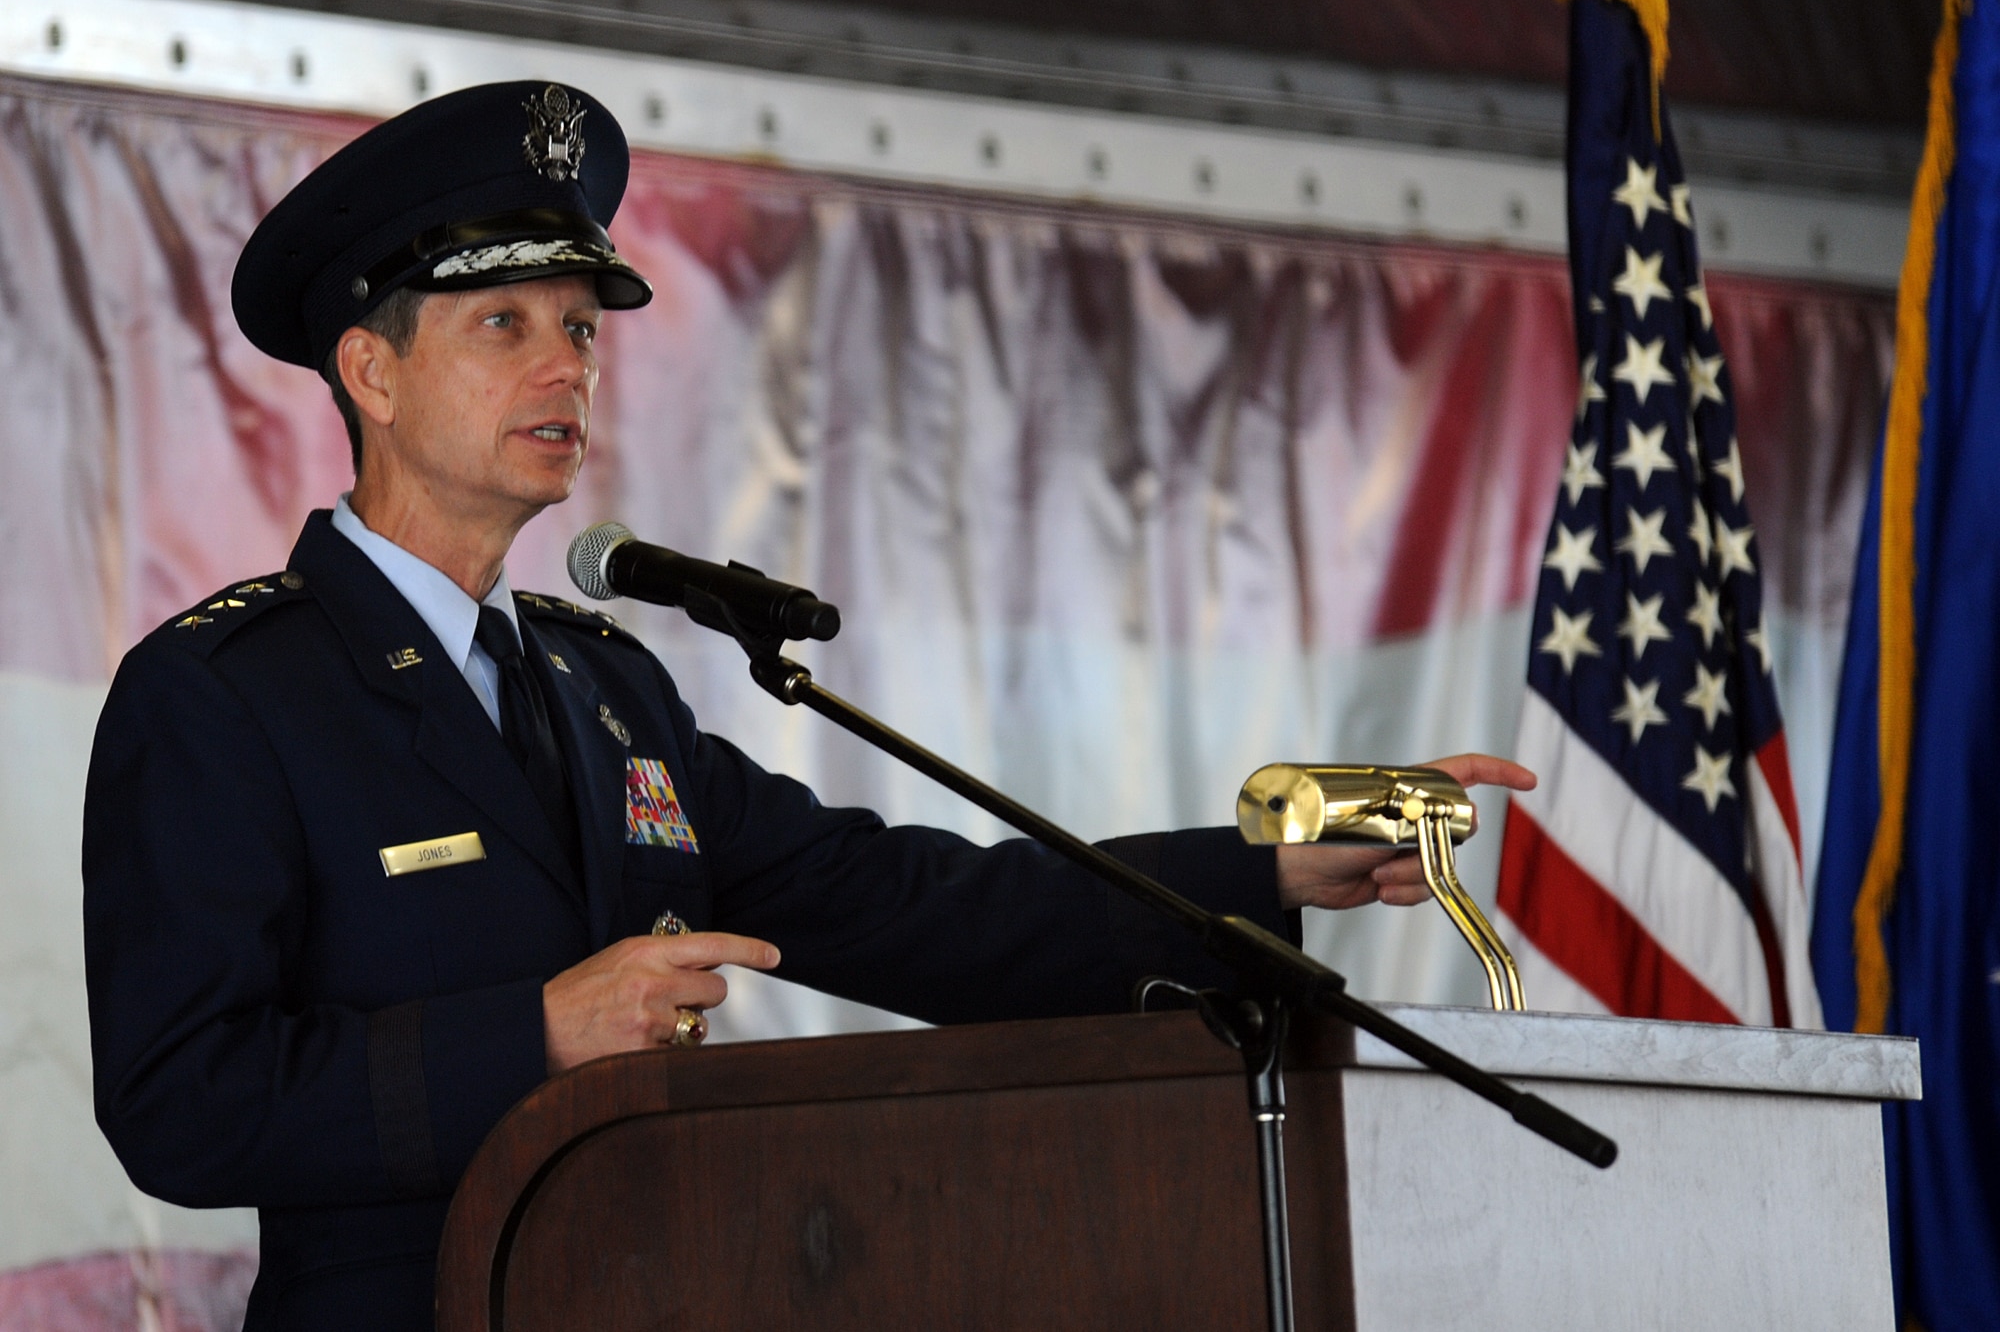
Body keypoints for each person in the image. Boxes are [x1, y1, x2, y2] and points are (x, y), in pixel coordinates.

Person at [81, 82, 1534, 1331]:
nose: (563, 367)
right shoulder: (224, 697)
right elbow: (182, 1099)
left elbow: (917, 904)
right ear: (371, 370)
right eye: (504, 321)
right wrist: (533, 1034)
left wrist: (1264, 868)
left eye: (583, 328)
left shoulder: (609, 690)